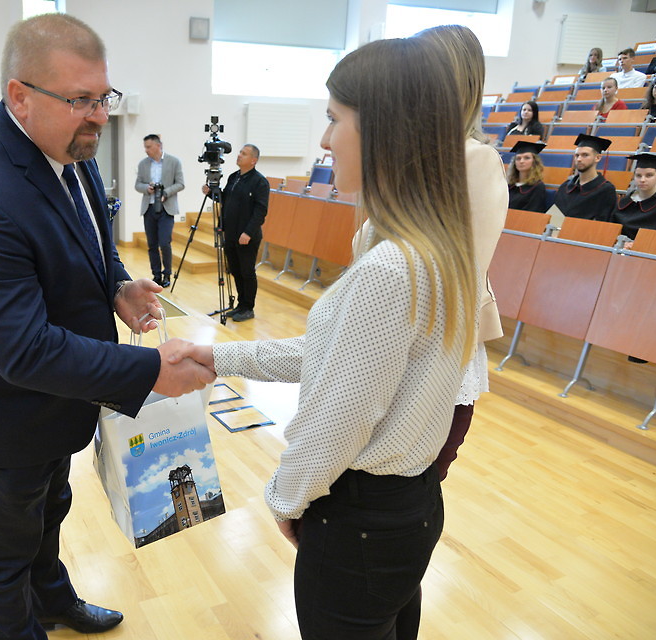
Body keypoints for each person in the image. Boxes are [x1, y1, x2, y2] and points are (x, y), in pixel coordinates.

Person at [0, 14, 214, 640]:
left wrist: (117, 286)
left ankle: (53, 602)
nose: (100, 117)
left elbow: (87, 238)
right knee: (4, 550)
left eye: (104, 97)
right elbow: (22, 350)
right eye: (81, 100)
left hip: (60, 395)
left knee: (50, 509)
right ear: (20, 96)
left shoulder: (68, 148)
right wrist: (150, 370)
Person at [194, 33, 477, 640]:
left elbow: (339, 417)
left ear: (384, 130)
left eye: (333, 119)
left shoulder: (391, 266)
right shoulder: (435, 245)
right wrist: (216, 355)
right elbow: (333, 356)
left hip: (362, 520)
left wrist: (287, 498)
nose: (324, 141)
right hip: (409, 507)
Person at [415, 23, 508, 484]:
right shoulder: (407, 156)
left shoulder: (476, 159)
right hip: (396, 346)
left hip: (434, 353)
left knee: (411, 494)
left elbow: (464, 273)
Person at [201, 144, 270, 322]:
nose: (239, 155)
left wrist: (248, 232)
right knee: (235, 270)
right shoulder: (234, 177)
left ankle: (248, 307)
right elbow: (225, 199)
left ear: (253, 160)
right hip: (230, 233)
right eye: (240, 152)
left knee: (247, 272)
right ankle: (241, 304)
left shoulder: (260, 182)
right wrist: (211, 193)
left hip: (246, 236)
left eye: (244, 154)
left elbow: (260, 211)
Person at [134, 134, 184, 287]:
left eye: (148, 147)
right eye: (145, 147)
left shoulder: (174, 162)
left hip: (166, 208)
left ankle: (167, 274)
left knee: (164, 243)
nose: (146, 150)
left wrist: (165, 192)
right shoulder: (143, 164)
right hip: (149, 208)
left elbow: (180, 184)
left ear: (158, 145)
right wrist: (146, 188)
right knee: (152, 244)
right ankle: (156, 275)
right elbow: (138, 185)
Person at [608, 153, 656, 241]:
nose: (642, 180)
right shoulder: (625, 201)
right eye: (638, 175)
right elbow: (612, 229)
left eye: (649, 175)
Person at [554, 134, 617, 221]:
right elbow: (555, 220)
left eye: (585, 155)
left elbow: (603, 224)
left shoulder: (606, 190)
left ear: (598, 158)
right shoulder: (565, 187)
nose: (579, 159)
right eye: (577, 155)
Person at [507, 141, 548, 213]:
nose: (521, 161)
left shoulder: (537, 187)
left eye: (527, 158)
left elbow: (532, 212)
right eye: (518, 158)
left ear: (534, 161)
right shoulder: (509, 185)